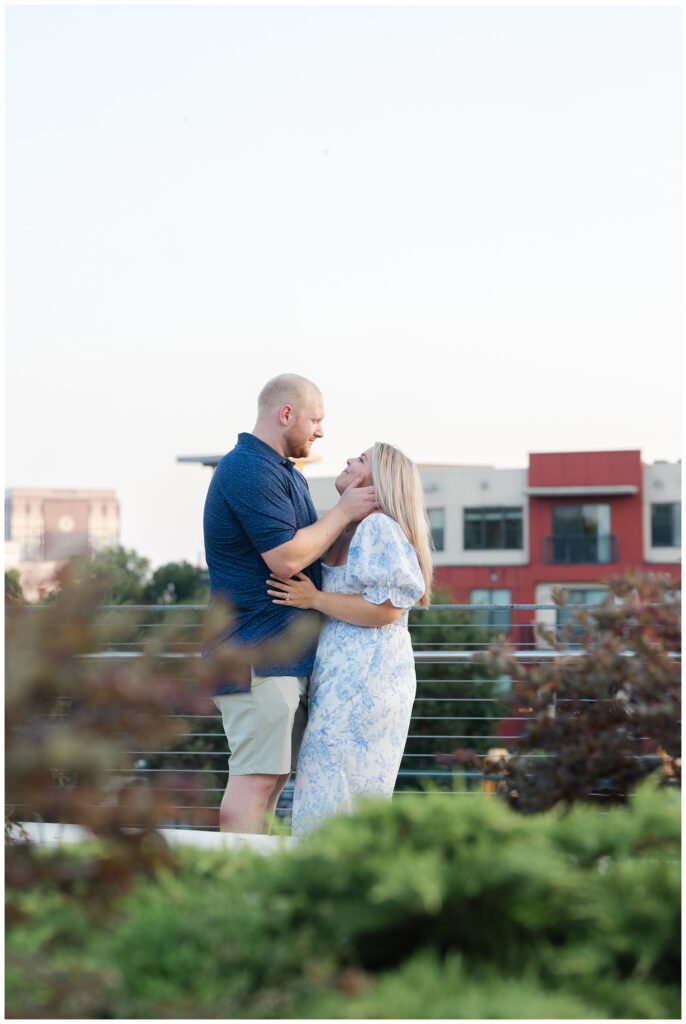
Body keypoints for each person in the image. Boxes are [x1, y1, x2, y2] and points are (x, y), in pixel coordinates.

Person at [203, 374, 377, 835]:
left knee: (273, 779)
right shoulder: (246, 469)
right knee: (255, 782)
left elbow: (312, 550)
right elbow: (286, 558)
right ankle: (237, 888)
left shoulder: (282, 473)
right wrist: (343, 512)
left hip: (281, 659)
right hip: (256, 655)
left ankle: (255, 883)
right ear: (286, 415)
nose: (320, 432)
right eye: (315, 420)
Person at [267, 441, 433, 835]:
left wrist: (315, 598)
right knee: (327, 780)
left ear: (379, 484)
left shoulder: (377, 528)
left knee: (336, 782)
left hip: (369, 679)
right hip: (343, 678)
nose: (347, 460)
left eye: (360, 460)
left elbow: (388, 609)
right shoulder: (346, 526)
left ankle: (328, 873)